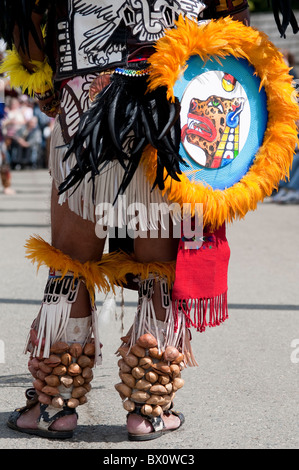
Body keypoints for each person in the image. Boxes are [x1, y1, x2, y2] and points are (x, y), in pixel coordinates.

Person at [0, 0, 297, 441]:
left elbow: (29, 16)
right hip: (169, 113)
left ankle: (52, 406)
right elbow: (232, 19)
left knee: (71, 260)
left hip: (87, 108)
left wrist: (47, 90)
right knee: (158, 262)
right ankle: (149, 410)